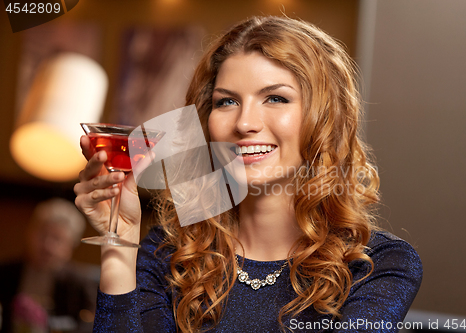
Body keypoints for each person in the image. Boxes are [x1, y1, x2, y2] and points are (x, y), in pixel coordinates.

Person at [74, 16, 422, 333]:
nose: (244, 123)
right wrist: (118, 246)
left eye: (275, 98)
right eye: (227, 102)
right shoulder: (167, 253)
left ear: (325, 118)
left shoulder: (378, 266)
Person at [0, 198, 97, 333]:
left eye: (57, 239)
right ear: (29, 233)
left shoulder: (80, 283)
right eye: (42, 235)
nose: (47, 246)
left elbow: (91, 324)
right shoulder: (5, 272)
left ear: (70, 246)